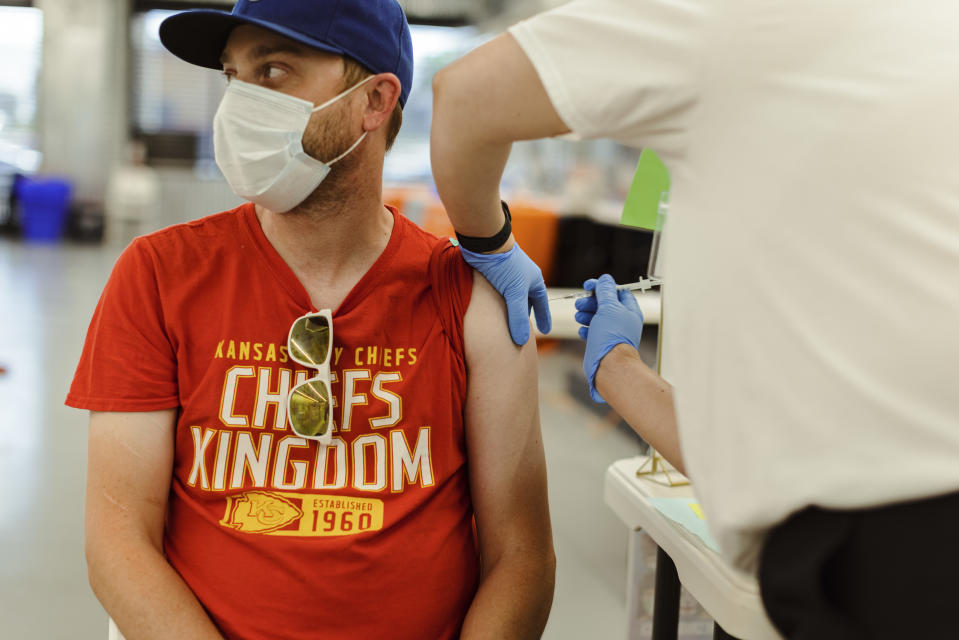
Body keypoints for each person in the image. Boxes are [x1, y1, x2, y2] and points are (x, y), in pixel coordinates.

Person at [430, 1, 959, 637]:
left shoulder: (735, 18)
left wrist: (491, 245)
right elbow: (766, 452)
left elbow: (464, 95)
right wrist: (617, 368)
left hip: (893, 570)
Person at [67, 1, 554, 638]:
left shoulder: (468, 297)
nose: (238, 106)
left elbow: (522, 558)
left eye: (272, 72)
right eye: (232, 76)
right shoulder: (159, 276)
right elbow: (118, 541)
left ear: (375, 102)